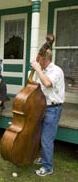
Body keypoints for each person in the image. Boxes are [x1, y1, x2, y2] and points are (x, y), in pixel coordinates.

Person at [31, 48, 65, 177]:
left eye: (39, 59)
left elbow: (47, 83)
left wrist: (38, 70)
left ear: (43, 59)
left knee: (46, 139)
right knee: (40, 135)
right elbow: (36, 86)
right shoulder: (43, 71)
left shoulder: (56, 71)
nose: (37, 61)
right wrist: (35, 71)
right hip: (41, 107)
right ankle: (44, 158)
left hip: (53, 109)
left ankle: (48, 167)